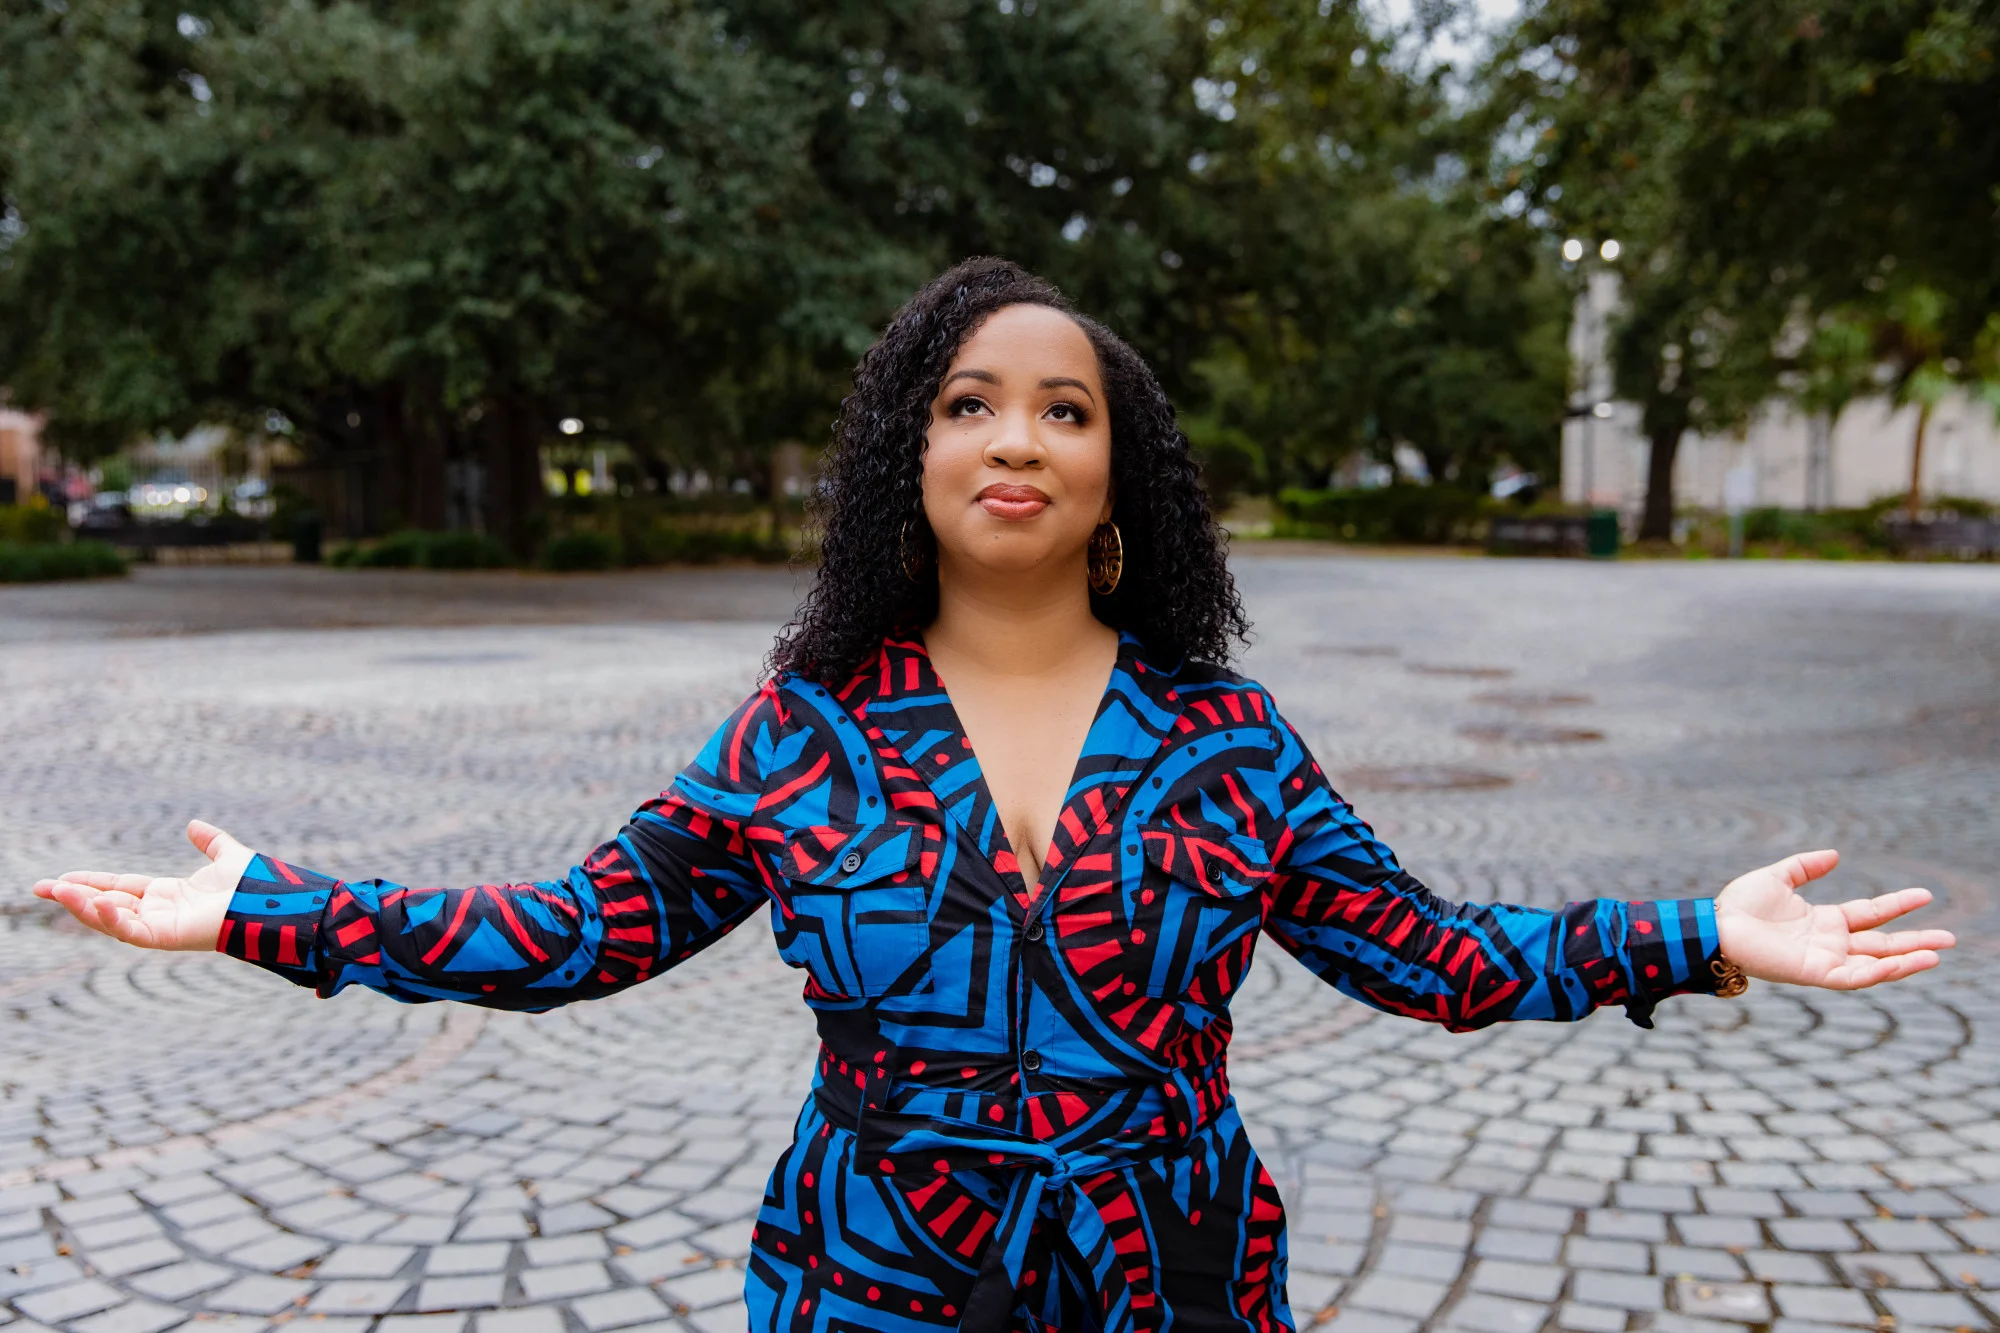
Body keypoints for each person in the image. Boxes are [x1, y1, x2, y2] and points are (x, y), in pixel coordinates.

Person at [34, 258, 1955, 1333]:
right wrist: (269, 910)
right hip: (879, 1272)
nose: (1014, 434)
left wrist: (1698, 938)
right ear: (908, 457)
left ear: (1126, 475)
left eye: (1064, 405)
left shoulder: (1226, 741)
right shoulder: (808, 731)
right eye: (966, 401)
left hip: (1175, 1275)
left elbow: (1436, 959)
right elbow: (565, 939)